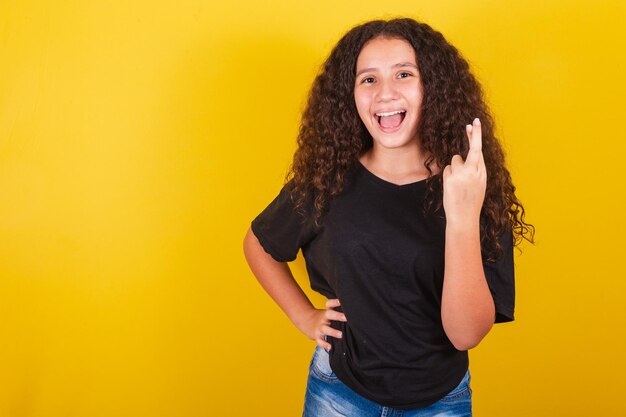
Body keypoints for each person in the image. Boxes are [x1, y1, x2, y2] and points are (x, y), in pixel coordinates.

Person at [243, 17, 534, 417]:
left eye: (404, 74)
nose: (385, 93)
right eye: (368, 79)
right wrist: (304, 316)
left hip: (440, 402)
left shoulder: (471, 183)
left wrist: (463, 216)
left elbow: (465, 334)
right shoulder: (327, 179)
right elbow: (260, 245)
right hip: (337, 392)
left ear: (432, 86)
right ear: (350, 94)